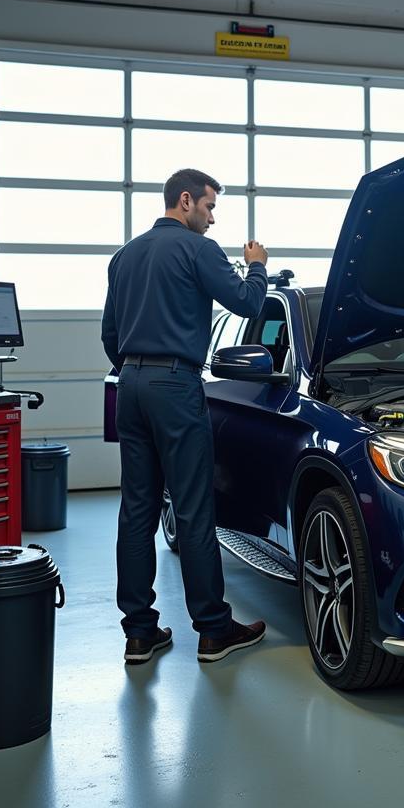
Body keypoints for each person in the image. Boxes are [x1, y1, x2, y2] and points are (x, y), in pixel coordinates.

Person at [102, 168, 269, 666]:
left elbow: (110, 334)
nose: (213, 218)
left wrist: (136, 369)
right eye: (210, 206)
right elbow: (247, 301)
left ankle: (139, 634)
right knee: (194, 508)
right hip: (175, 386)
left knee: (137, 510)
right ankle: (215, 630)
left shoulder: (125, 255)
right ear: (185, 200)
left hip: (129, 384)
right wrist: (256, 265)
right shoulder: (199, 250)